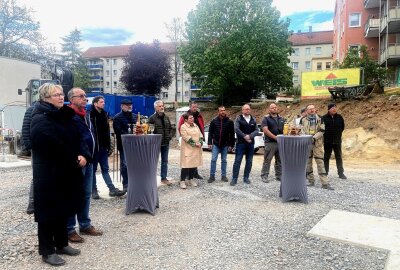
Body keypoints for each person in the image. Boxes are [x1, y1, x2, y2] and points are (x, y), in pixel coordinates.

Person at [30, 83, 83, 266]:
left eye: (61, 94)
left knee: (63, 209)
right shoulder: (40, 118)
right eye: (56, 95)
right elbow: (51, 144)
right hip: (49, 173)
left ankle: (61, 243)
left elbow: (73, 137)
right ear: (45, 98)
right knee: (47, 213)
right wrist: (72, 157)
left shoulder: (61, 115)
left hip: (64, 171)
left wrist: (79, 154)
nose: (61, 97)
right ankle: (47, 250)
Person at [67, 88, 103, 243]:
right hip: (77, 162)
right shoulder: (67, 116)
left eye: (86, 96)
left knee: (86, 194)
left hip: (90, 160)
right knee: (73, 195)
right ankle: (69, 229)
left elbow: (90, 137)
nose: (85, 99)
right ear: (71, 98)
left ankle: (84, 224)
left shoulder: (86, 115)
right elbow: (67, 139)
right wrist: (76, 155)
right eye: (81, 96)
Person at [89, 96, 125, 199]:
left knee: (105, 169)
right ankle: (94, 191)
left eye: (104, 102)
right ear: (95, 104)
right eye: (101, 102)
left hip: (103, 148)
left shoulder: (105, 114)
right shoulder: (90, 115)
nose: (103, 103)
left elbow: (107, 131)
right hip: (94, 148)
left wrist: (109, 146)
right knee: (93, 170)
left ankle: (112, 189)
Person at [301, 104, 334, 190]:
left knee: (320, 162)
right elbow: (301, 130)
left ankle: (325, 183)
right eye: (310, 109)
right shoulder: (303, 120)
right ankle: (311, 181)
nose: (312, 110)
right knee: (308, 162)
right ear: (307, 111)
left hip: (317, 144)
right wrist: (307, 138)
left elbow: (322, 130)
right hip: (307, 144)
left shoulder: (320, 118)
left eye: (313, 108)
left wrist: (313, 138)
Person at [230, 104, 260, 186]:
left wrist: (250, 136)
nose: (247, 110)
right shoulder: (238, 119)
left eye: (248, 109)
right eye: (245, 109)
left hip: (250, 144)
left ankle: (246, 178)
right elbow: (236, 129)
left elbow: (257, 130)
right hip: (240, 144)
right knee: (237, 161)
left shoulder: (253, 119)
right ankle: (234, 179)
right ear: (242, 110)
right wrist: (244, 136)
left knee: (249, 161)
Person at [113, 99, 137, 191]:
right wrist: (129, 134)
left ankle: (134, 182)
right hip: (124, 145)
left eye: (130, 104)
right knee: (125, 164)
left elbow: (140, 128)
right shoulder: (117, 117)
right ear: (122, 106)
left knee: (134, 164)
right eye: (127, 105)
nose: (129, 106)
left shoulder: (135, 117)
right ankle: (126, 184)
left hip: (135, 145)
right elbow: (118, 131)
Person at [147, 100, 173, 186]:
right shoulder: (152, 118)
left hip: (165, 143)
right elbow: (147, 130)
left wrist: (169, 136)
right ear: (155, 108)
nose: (162, 107)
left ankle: (164, 178)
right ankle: (150, 178)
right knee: (153, 161)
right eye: (160, 106)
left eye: (162, 106)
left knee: (164, 161)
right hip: (155, 144)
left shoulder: (166, 117)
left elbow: (170, 129)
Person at [207, 106, 235, 183]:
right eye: (221, 110)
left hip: (225, 145)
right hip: (216, 144)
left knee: (224, 160)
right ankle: (212, 176)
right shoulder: (214, 121)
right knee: (213, 160)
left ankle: (223, 176)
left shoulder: (230, 122)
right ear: (218, 112)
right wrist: (209, 143)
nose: (223, 112)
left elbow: (232, 134)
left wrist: (231, 145)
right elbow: (210, 133)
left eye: (224, 110)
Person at [178, 102, 204, 179]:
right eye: (193, 107)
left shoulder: (199, 115)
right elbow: (180, 127)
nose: (195, 108)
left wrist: (201, 139)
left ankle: (195, 174)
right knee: (187, 159)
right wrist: (185, 137)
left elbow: (201, 126)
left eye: (196, 107)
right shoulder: (184, 116)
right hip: (188, 140)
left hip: (197, 138)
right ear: (190, 107)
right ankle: (185, 176)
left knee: (195, 158)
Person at [260, 103, 285, 183]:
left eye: (275, 107)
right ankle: (264, 176)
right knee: (267, 160)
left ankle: (279, 176)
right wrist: (275, 137)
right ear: (269, 109)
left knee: (280, 160)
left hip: (280, 143)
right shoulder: (266, 119)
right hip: (270, 143)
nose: (275, 109)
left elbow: (286, 129)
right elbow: (265, 130)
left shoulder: (282, 118)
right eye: (272, 108)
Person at [322, 103, 347, 179]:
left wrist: (337, 134)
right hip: (327, 141)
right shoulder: (324, 118)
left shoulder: (339, 117)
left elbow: (342, 127)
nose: (334, 109)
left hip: (337, 141)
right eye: (332, 108)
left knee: (339, 157)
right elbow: (322, 129)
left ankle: (341, 173)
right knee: (326, 157)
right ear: (329, 109)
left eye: (335, 107)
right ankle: (325, 172)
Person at [179, 113, 203, 189]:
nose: (192, 119)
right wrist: (195, 143)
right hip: (187, 148)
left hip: (196, 149)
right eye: (190, 118)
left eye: (192, 118)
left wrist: (200, 142)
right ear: (186, 120)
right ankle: (182, 181)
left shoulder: (196, 125)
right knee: (186, 165)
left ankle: (190, 179)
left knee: (194, 164)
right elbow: (185, 137)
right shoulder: (183, 127)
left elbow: (200, 135)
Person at [21, 102, 37, 214]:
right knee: (36, 176)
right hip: (37, 149)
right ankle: (32, 203)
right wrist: (30, 147)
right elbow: (25, 130)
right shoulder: (32, 109)